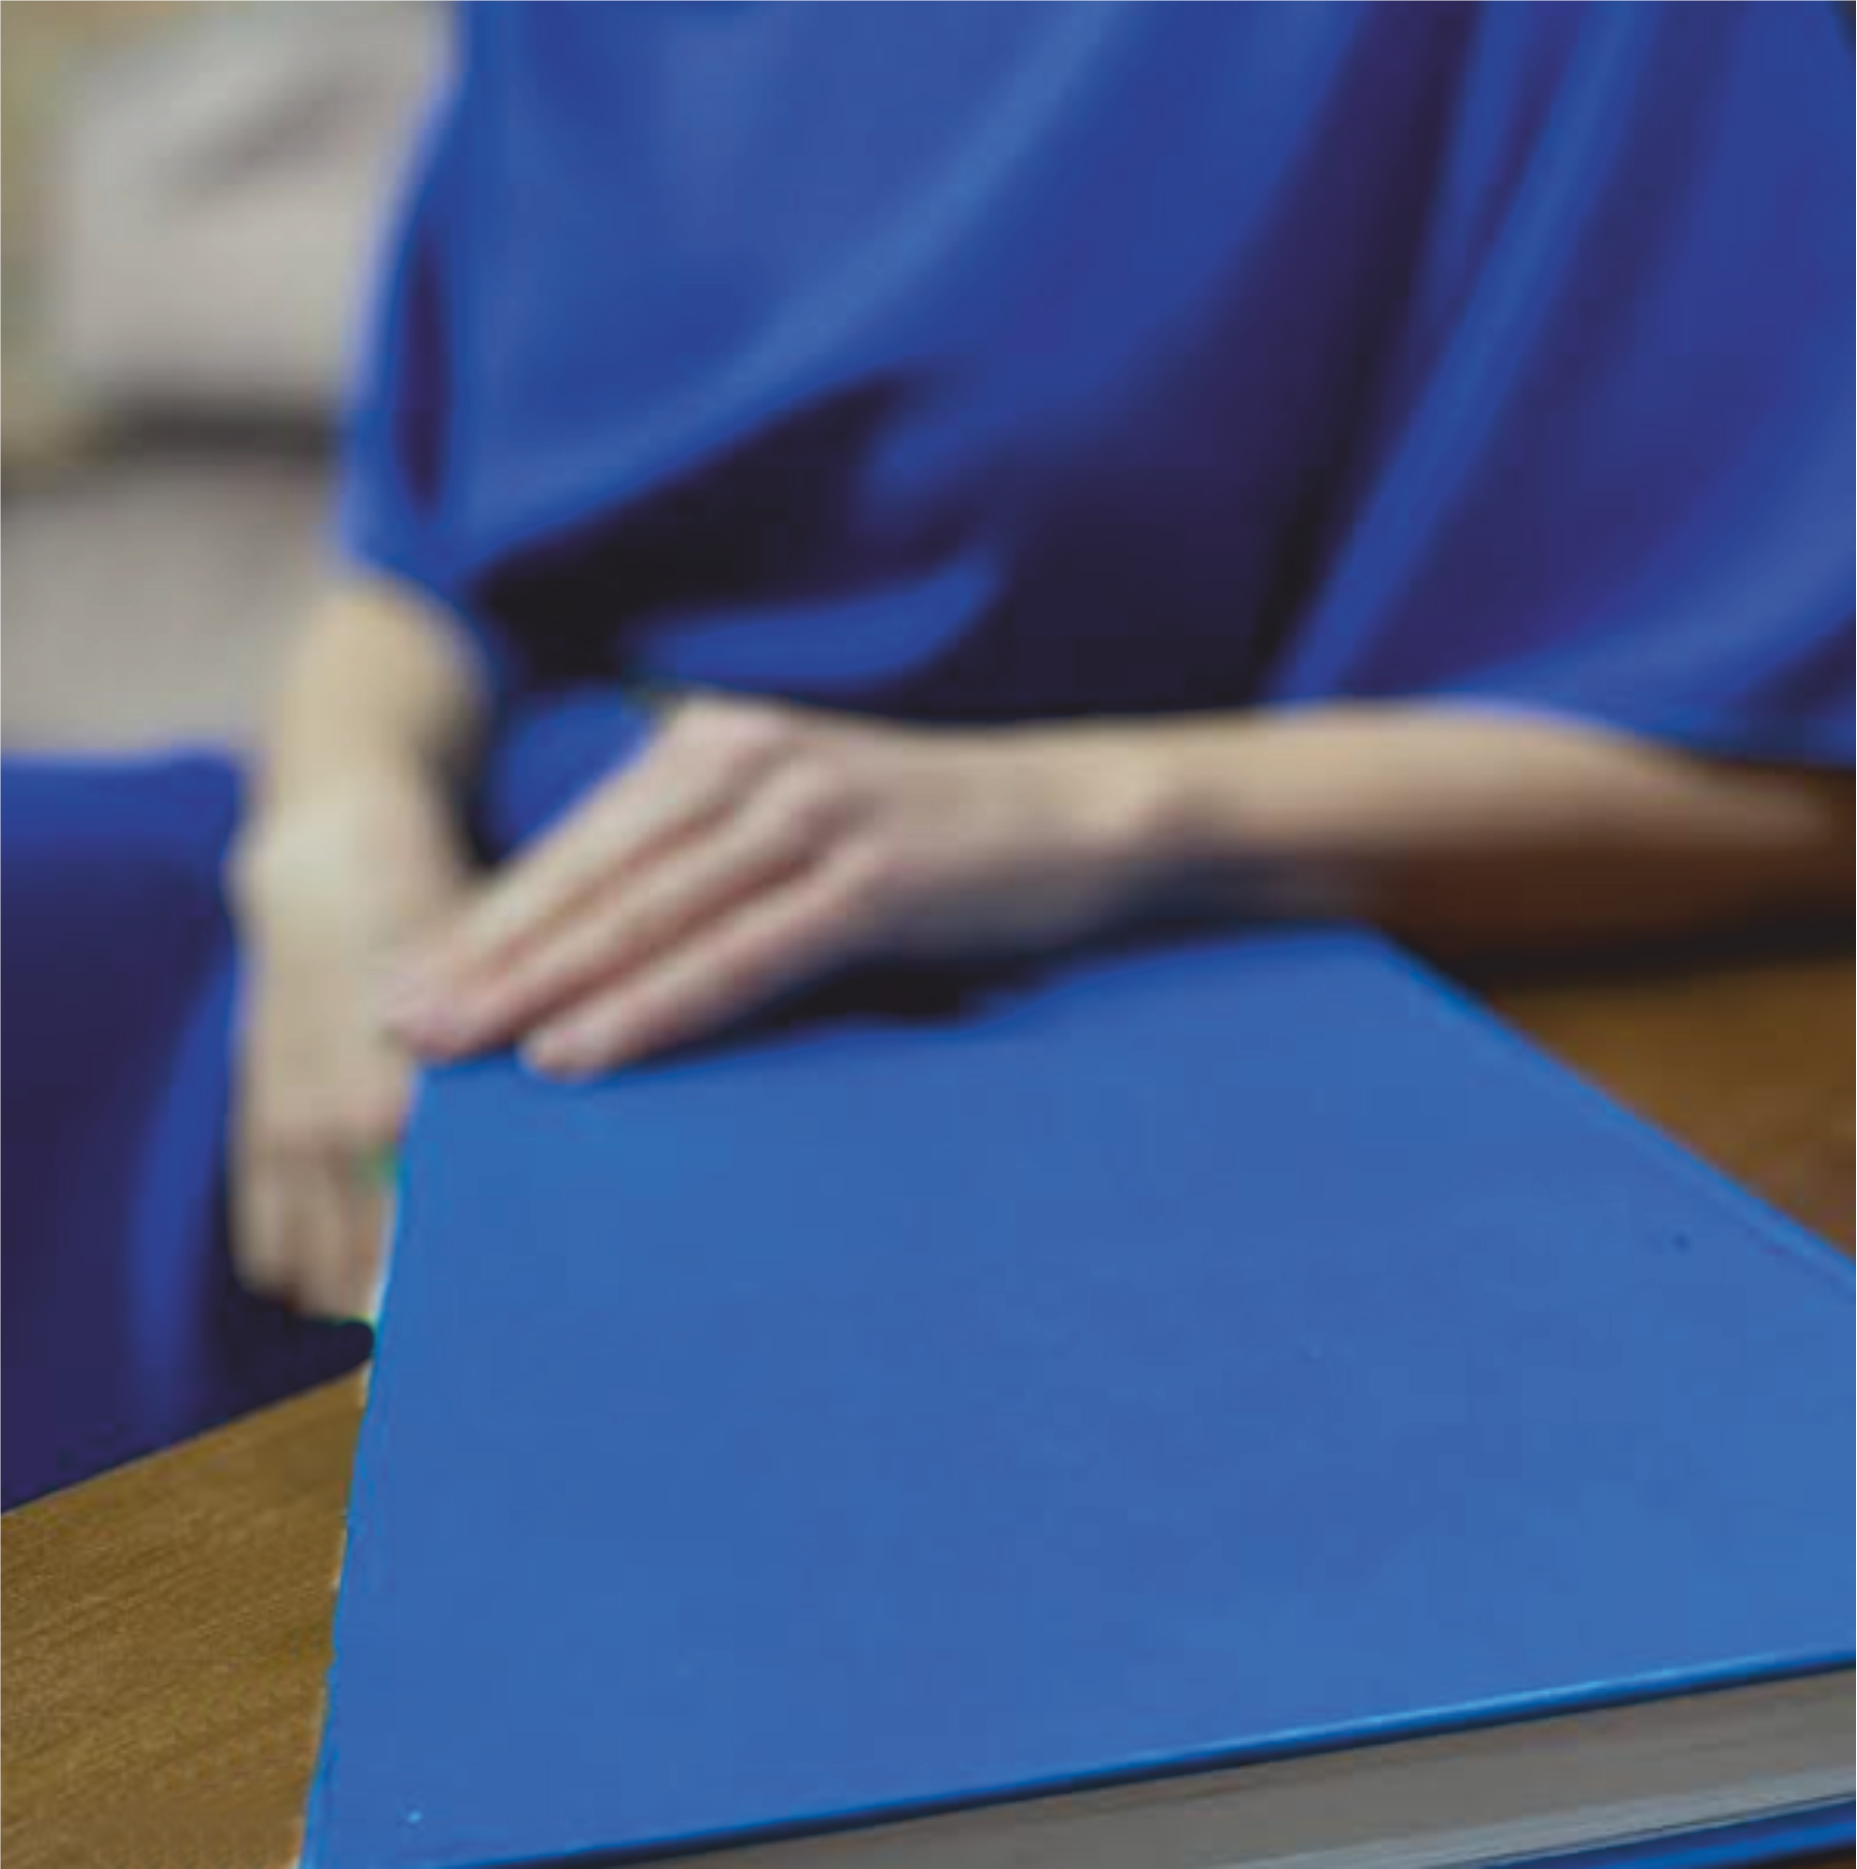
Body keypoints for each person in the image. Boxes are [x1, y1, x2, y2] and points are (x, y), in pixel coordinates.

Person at [1, 0, 1849, 1511]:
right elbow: (423, 559)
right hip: (483, 903)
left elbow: (1792, 761)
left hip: (1074, 968)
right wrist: (329, 828)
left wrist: (1076, 814)